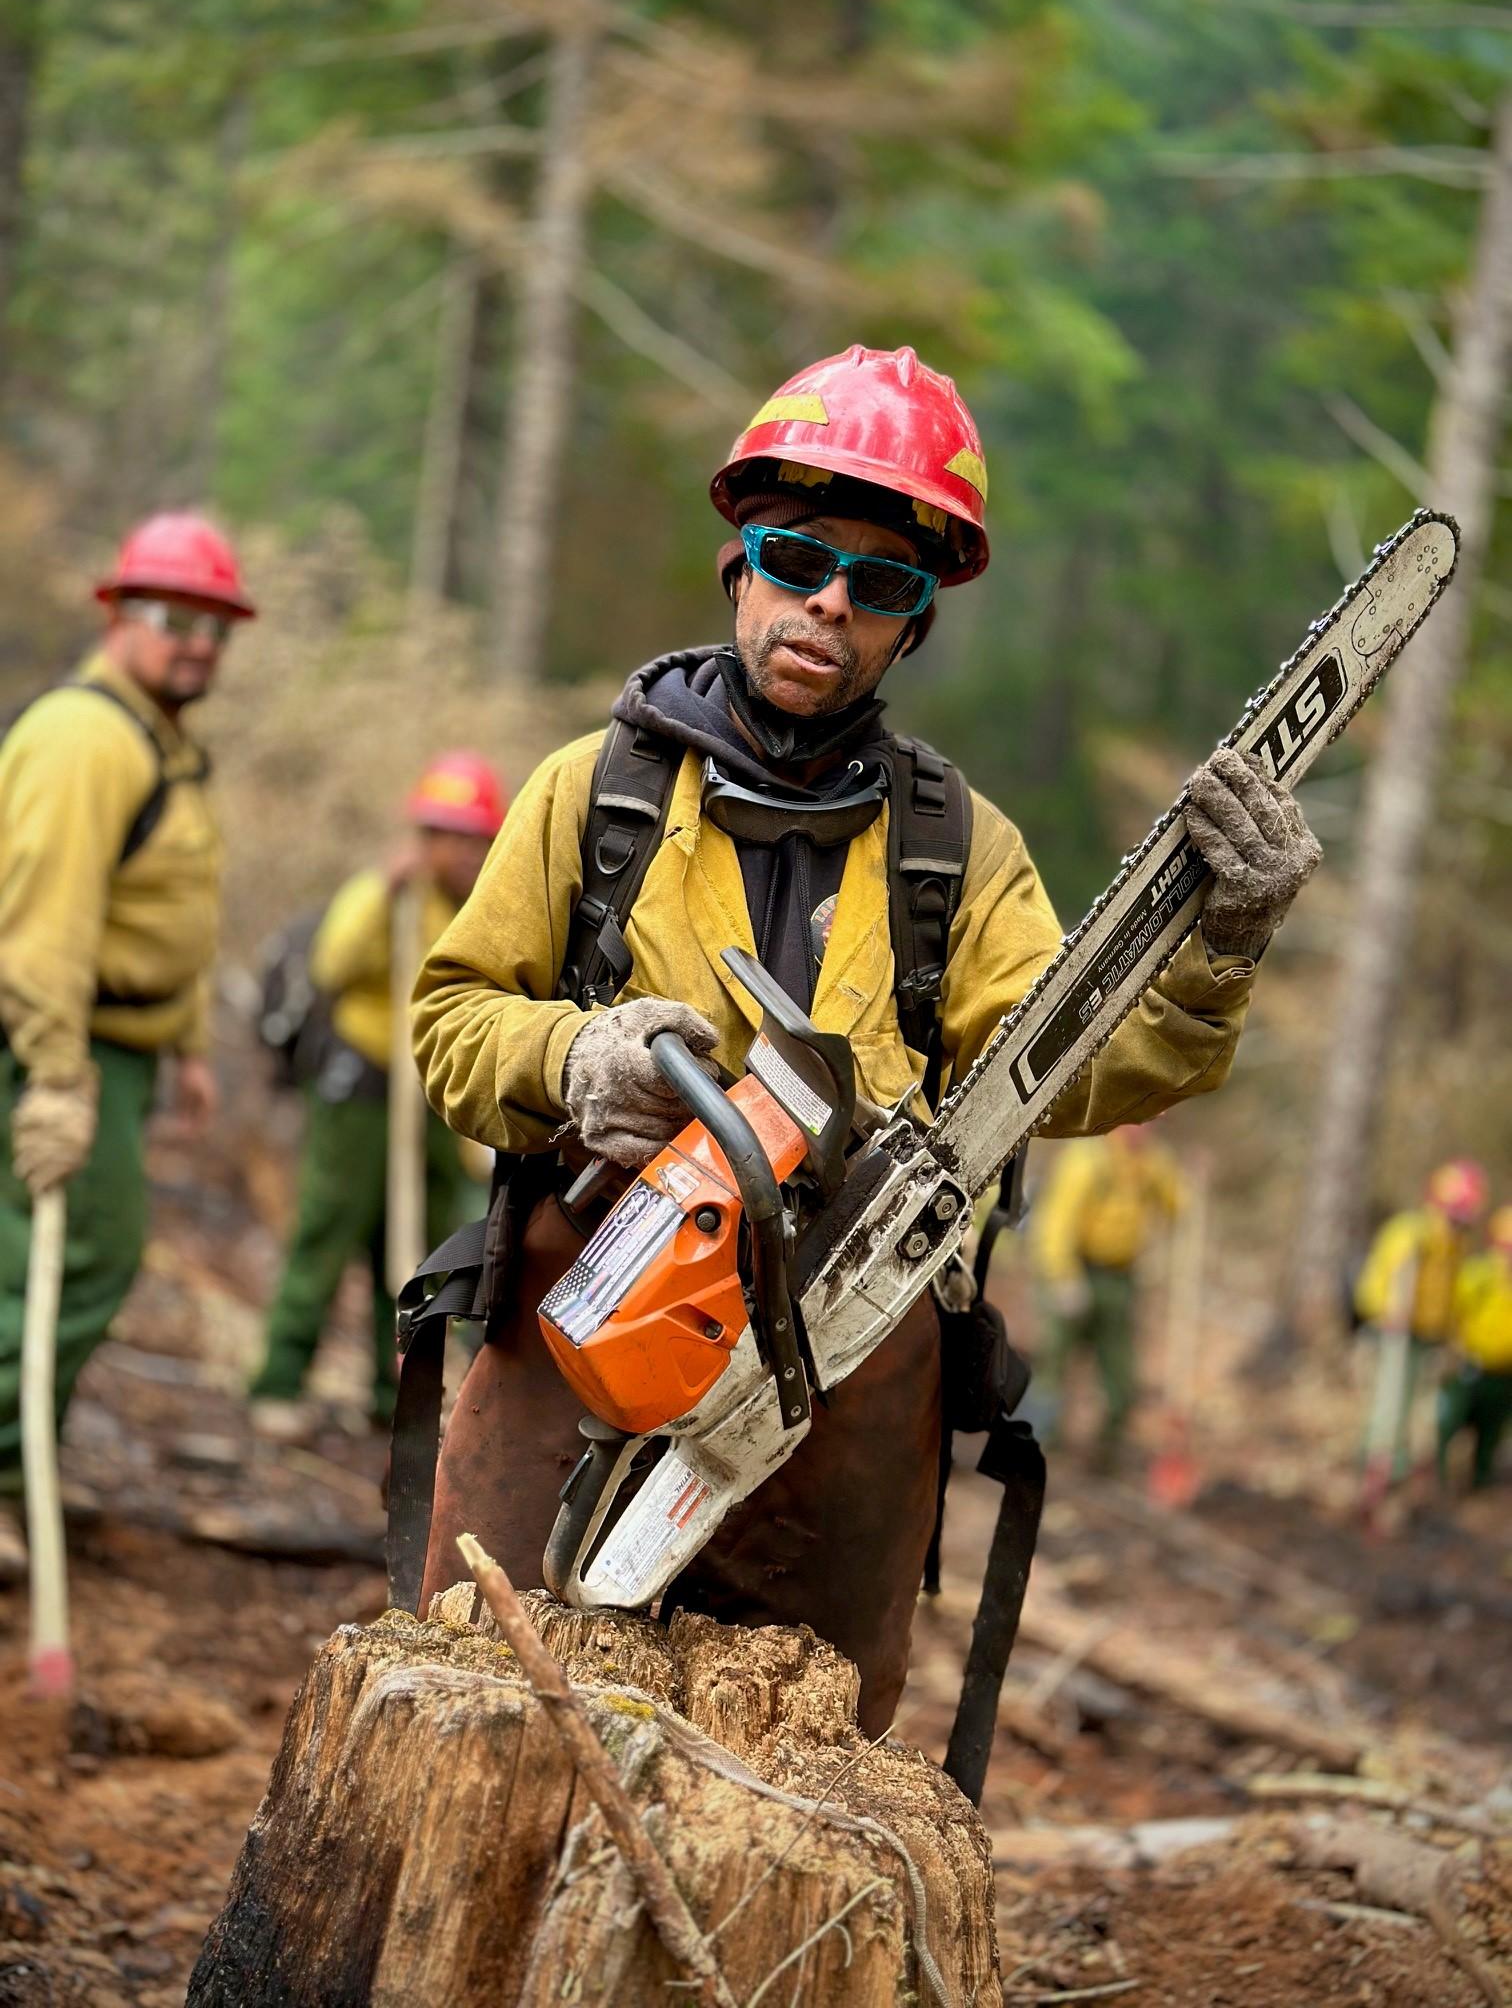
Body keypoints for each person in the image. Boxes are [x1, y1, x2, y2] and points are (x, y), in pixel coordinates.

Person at [407, 345, 1324, 1733]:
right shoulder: (593, 797)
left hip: (845, 1366)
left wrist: (1217, 951)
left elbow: (1079, 1065)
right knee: (481, 1712)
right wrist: (574, 1061)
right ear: (740, 563)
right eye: (799, 556)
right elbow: (452, 1019)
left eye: (881, 583)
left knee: (800, 1763)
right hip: (586, 1316)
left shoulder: (958, 854)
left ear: (914, 621)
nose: (830, 602)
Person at [0, 513, 255, 1580]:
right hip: (60, 1041)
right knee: (65, 1257)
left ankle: (23, 1471)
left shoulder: (157, 737)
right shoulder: (83, 739)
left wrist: (185, 1044)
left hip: (122, 1046)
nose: (196, 642)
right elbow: (45, 923)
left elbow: (161, 908)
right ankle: (8, 1475)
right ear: (116, 615)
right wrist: (57, 1077)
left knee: (75, 1257)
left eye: (214, 625)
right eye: (172, 618)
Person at [247, 754, 506, 1439]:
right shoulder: (387, 895)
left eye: (474, 838)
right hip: (361, 1088)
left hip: (432, 1095)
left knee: (417, 1248)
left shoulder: (487, 907)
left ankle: (387, 1392)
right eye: (447, 835)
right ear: (424, 838)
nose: (462, 852)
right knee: (331, 1229)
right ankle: (279, 1380)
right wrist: (383, 896)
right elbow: (332, 964)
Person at [1030, 1125, 1186, 1469]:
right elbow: (1056, 1224)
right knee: (1054, 1362)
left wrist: (1191, 1183)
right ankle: (1036, 1443)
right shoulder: (1087, 1160)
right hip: (1077, 1271)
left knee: (1120, 1370)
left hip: (1120, 1278)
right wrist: (1062, 1279)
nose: (1142, 1128)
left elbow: (1177, 1205)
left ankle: (1106, 1454)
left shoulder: (1154, 1162)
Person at [1354, 1158, 1488, 1485]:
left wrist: (1451, 1334)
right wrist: (1393, 1311)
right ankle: (1376, 1467)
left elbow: (1451, 1293)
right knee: (1389, 1403)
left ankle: (1401, 1469)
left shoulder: (1456, 1245)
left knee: (1419, 1408)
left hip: (1428, 1336)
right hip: (1394, 1333)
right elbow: (1388, 1277)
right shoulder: (1413, 1232)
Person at [1436, 1205, 1512, 1492]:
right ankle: (1438, 1479)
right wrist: (1452, 1350)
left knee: (1491, 1433)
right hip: (1470, 1365)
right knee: (1451, 1422)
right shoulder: (1479, 1274)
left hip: (1505, 1372)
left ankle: (1481, 1482)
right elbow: (1454, 1311)